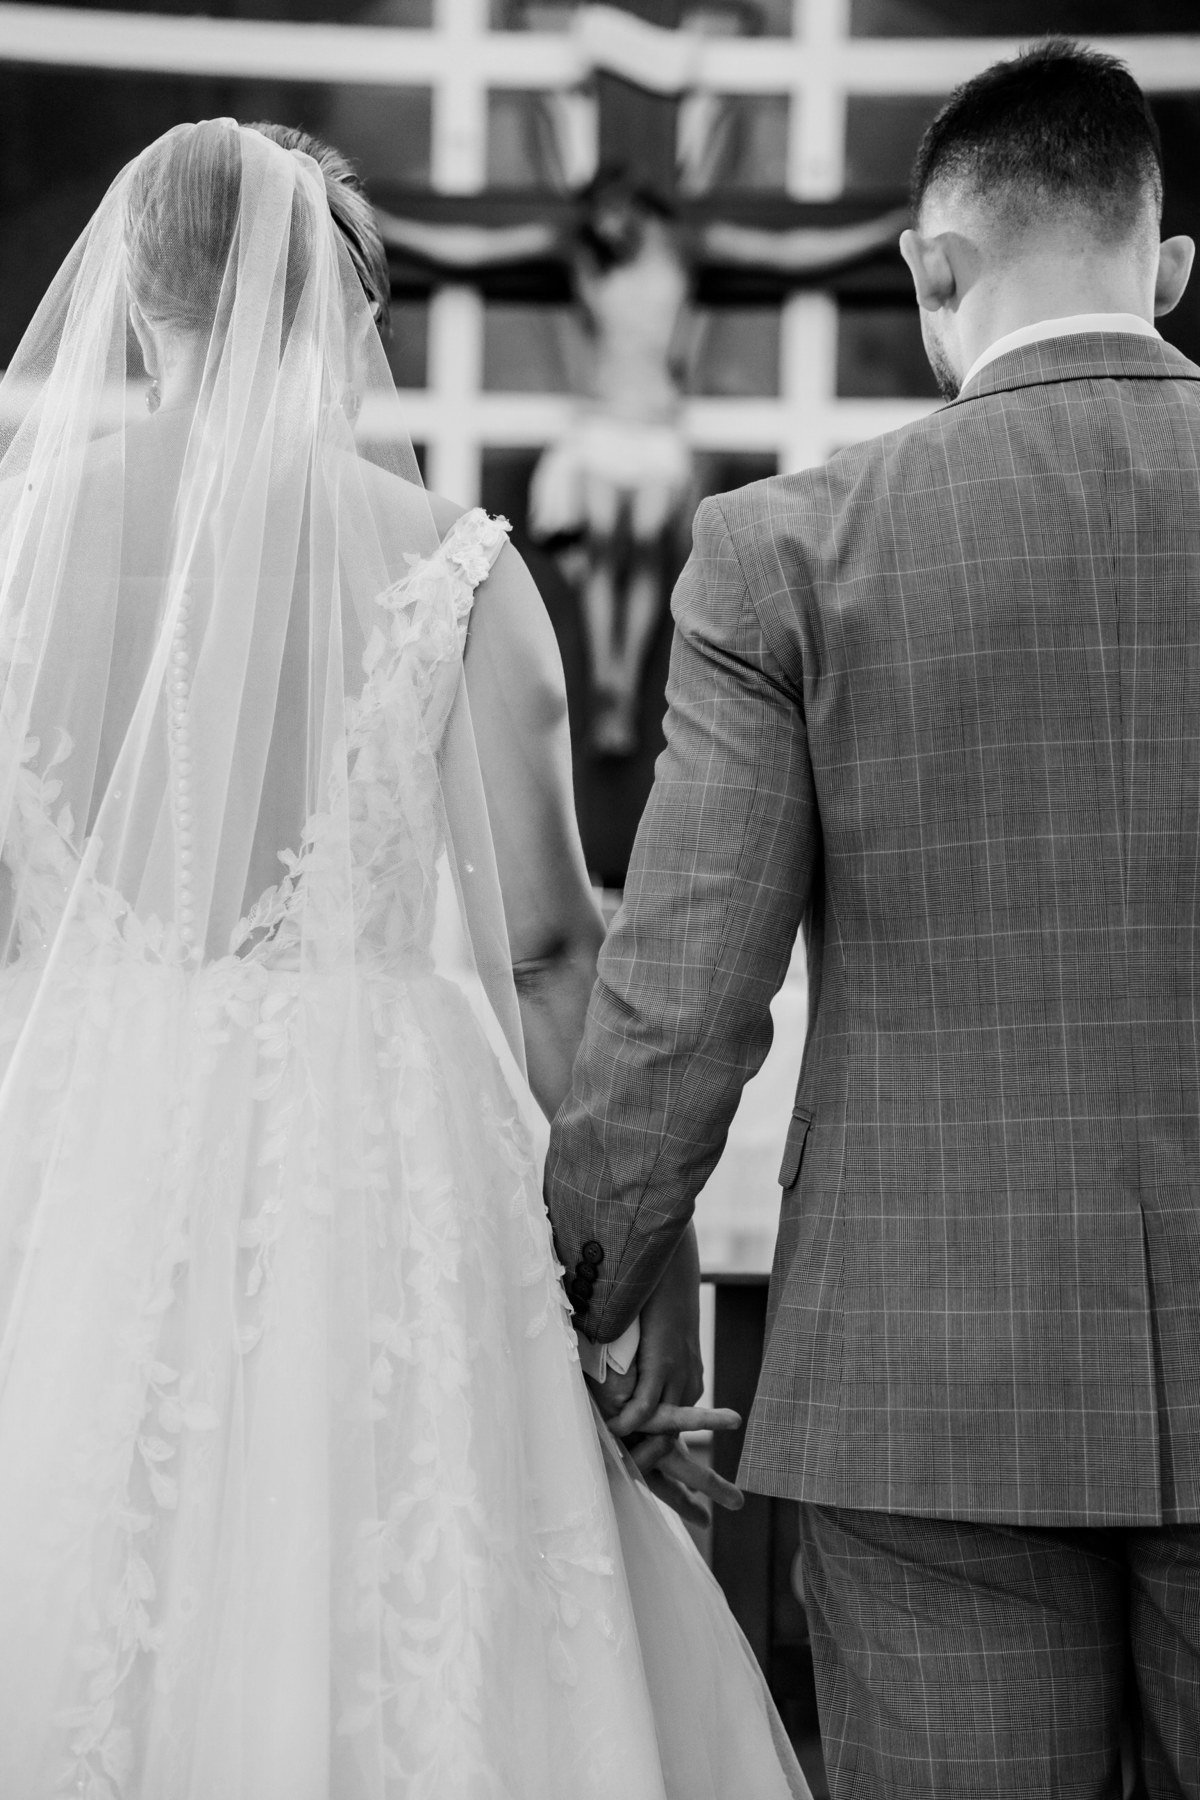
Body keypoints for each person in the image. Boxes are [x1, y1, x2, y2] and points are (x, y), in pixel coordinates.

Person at [0, 119, 810, 1799]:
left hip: (84, 1167)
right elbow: (551, 958)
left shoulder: (17, 565)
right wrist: (620, 1269)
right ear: (321, 299)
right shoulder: (444, 568)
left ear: (136, 297)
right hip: (368, 1184)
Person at [546, 38, 1200, 1798]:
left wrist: (578, 1281)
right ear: (1171, 266)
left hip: (924, 1388)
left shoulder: (789, 552)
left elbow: (680, 1000)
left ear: (930, 268)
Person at [380, 181, 905, 757]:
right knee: (606, 543)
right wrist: (386, 224)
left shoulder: (687, 244)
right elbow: (471, 248)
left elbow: (790, 253)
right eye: (594, 222)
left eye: (610, 216)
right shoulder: (577, 249)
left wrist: (883, 234)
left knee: (648, 545)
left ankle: (625, 681)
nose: (603, 230)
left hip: (657, 431)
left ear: (634, 204)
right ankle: (608, 685)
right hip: (600, 426)